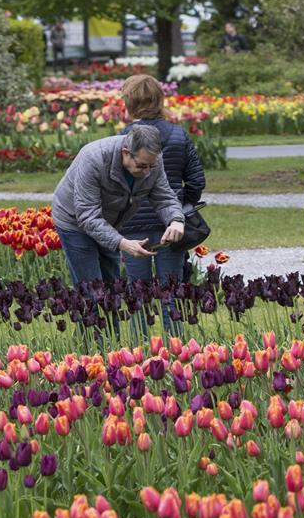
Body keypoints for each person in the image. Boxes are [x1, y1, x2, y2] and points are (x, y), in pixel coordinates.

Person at [52, 125, 185, 341]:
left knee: (111, 291)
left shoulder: (152, 161)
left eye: (152, 166)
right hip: (74, 221)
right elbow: (87, 216)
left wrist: (176, 220)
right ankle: (90, 355)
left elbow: (164, 196)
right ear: (126, 153)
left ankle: (112, 349)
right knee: (92, 291)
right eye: (142, 166)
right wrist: (122, 243)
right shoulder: (94, 158)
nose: (147, 172)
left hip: (110, 222)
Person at [119, 74, 206, 336]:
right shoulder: (178, 135)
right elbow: (196, 179)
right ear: (160, 99)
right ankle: (175, 345)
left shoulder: (123, 138)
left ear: (129, 102)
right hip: (172, 224)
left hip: (133, 224)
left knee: (138, 290)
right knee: (171, 288)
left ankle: (137, 350)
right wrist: (183, 205)